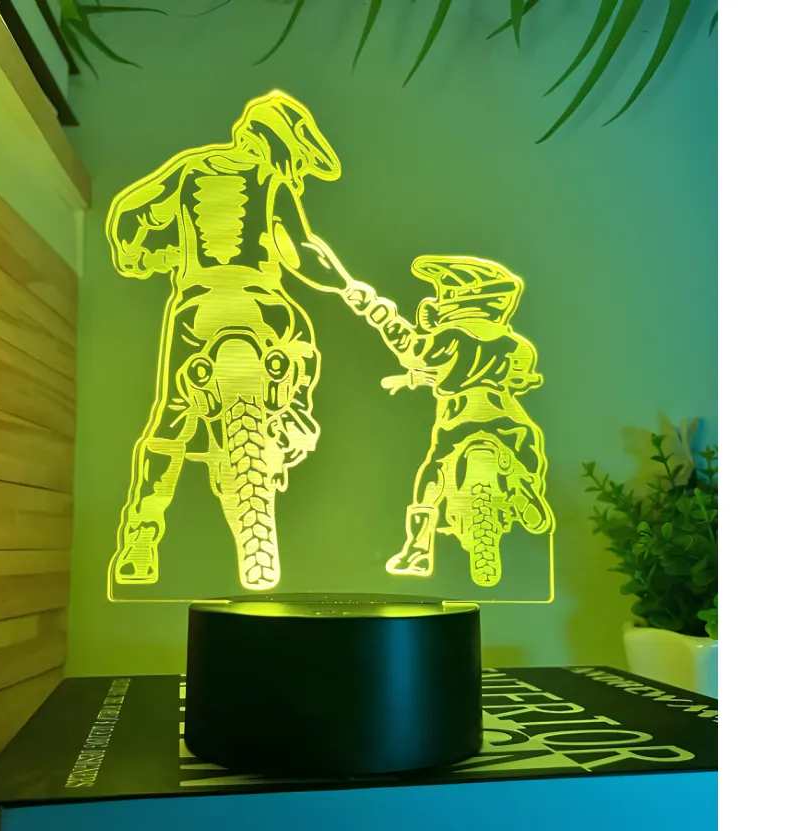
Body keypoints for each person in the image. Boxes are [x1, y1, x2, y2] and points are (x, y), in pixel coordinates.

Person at [107, 91, 382, 591]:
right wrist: (348, 287)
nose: (298, 171)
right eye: (297, 159)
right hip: (263, 307)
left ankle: (139, 540)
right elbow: (301, 251)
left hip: (197, 310)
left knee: (169, 423)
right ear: (280, 146)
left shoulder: (189, 170)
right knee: (302, 341)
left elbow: (130, 211)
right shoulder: (271, 180)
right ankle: (293, 409)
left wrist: (137, 256)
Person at [341, 256, 554, 579]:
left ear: (459, 299)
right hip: (505, 416)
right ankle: (525, 486)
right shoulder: (517, 345)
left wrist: (379, 313)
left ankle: (418, 548)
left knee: (432, 476)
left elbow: (412, 350)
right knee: (529, 445)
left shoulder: (449, 337)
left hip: (458, 421)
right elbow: (522, 377)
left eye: (445, 294)